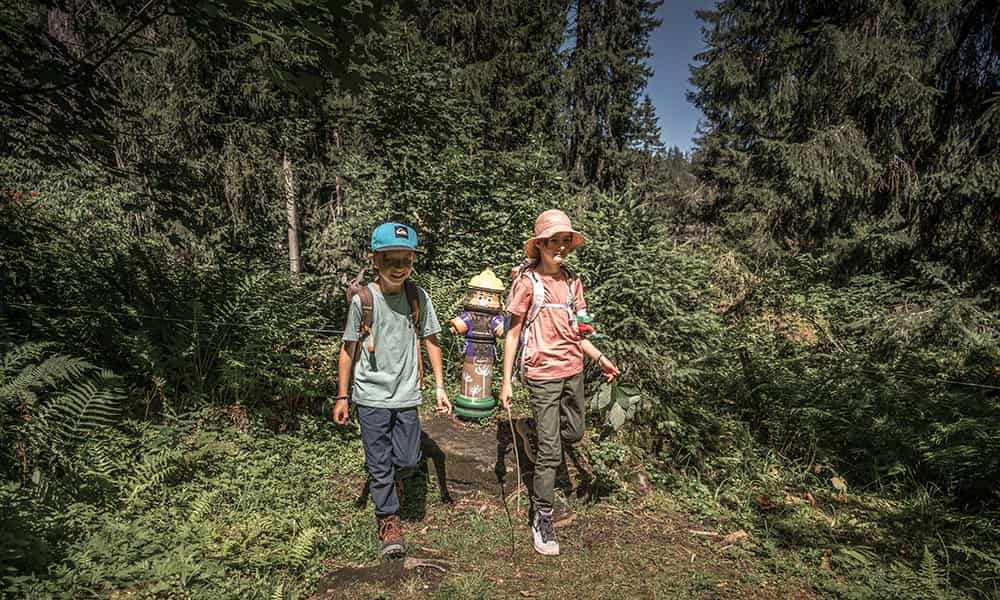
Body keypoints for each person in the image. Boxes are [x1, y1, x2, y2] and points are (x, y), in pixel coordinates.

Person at [499, 208, 620, 556]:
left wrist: (600, 357)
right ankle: (543, 517)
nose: (562, 247)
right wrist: (506, 382)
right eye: (555, 241)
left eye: (566, 241)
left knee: (576, 433)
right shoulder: (527, 283)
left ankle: (532, 431)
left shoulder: (572, 281)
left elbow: (579, 332)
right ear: (540, 244)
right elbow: (513, 333)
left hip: (573, 369)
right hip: (541, 373)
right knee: (552, 453)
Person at [333, 222, 452, 559]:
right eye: (391, 260)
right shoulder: (364, 300)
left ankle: (392, 481)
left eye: (406, 260)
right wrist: (342, 396)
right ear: (375, 261)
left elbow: (431, 340)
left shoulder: (418, 297)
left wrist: (440, 387)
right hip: (369, 396)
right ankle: (389, 521)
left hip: (407, 395)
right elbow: (348, 349)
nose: (399, 268)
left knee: (409, 458)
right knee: (379, 463)